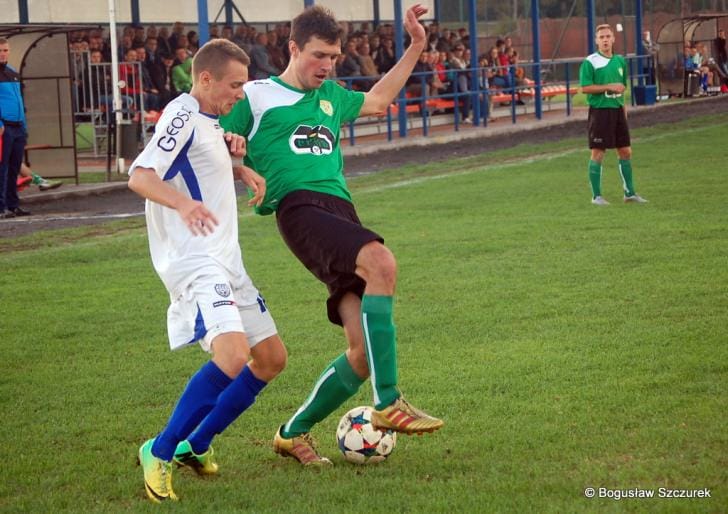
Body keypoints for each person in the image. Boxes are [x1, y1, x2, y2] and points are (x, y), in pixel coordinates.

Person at [221, 3, 443, 467]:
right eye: (319, 55)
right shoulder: (257, 95)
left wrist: (416, 47)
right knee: (381, 262)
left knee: (360, 354)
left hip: (340, 210)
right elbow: (212, 135)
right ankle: (389, 402)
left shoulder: (333, 97)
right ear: (293, 48)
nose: (327, 65)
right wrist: (237, 159)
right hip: (298, 207)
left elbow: (379, 101)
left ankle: (291, 433)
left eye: (334, 57)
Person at [127, 39, 287, 502]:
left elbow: (199, 161)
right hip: (195, 259)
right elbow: (140, 175)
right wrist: (184, 204)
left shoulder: (207, 120)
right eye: (234, 85)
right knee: (233, 354)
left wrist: (239, 167)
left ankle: (194, 444)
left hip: (226, 258)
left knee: (271, 359)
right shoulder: (181, 112)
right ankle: (158, 451)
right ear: (205, 78)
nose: (240, 93)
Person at [579, 24, 647, 205]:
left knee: (625, 151)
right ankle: (596, 196)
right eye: (601, 37)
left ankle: (629, 193)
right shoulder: (590, 61)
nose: (605, 40)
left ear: (613, 39)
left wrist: (624, 111)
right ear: (596, 41)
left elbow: (622, 87)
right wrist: (608, 87)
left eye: (608, 36)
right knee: (598, 152)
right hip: (600, 112)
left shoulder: (620, 61)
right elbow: (585, 88)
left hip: (617, 110)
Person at [0, 37, 31, 218]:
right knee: (2, 168)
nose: (3, 54)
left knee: (13, 168)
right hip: (4, 128)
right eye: (0, 51)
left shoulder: (12, 72)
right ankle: (1, 206)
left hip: (18, 127)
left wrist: (24, 126)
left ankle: (13, 204)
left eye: (5, 50)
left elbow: (19, 100)